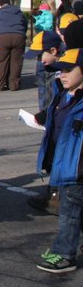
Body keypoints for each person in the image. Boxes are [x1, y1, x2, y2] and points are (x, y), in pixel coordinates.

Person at [34, 48, 83, 273]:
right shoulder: (62, 96)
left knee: (69, 214)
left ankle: (65, 254)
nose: (62, 75)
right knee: (74, 211)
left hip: (77, 168)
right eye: (60, 70)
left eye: (68, 70)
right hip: (62, 164)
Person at [0, 0, 28, 91]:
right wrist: (21, 34)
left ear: (0, 5)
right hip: (19, 37)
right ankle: (14, 85)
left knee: (2, 61)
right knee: (16, 62)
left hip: (3, 37)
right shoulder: (18, 11)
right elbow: (25, 25)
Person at [27, 30, 63, 113]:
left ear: (53, 51)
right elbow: (45, 95)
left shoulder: (65, 71)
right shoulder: (47, 67)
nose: (40, 61)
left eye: (40, 56)